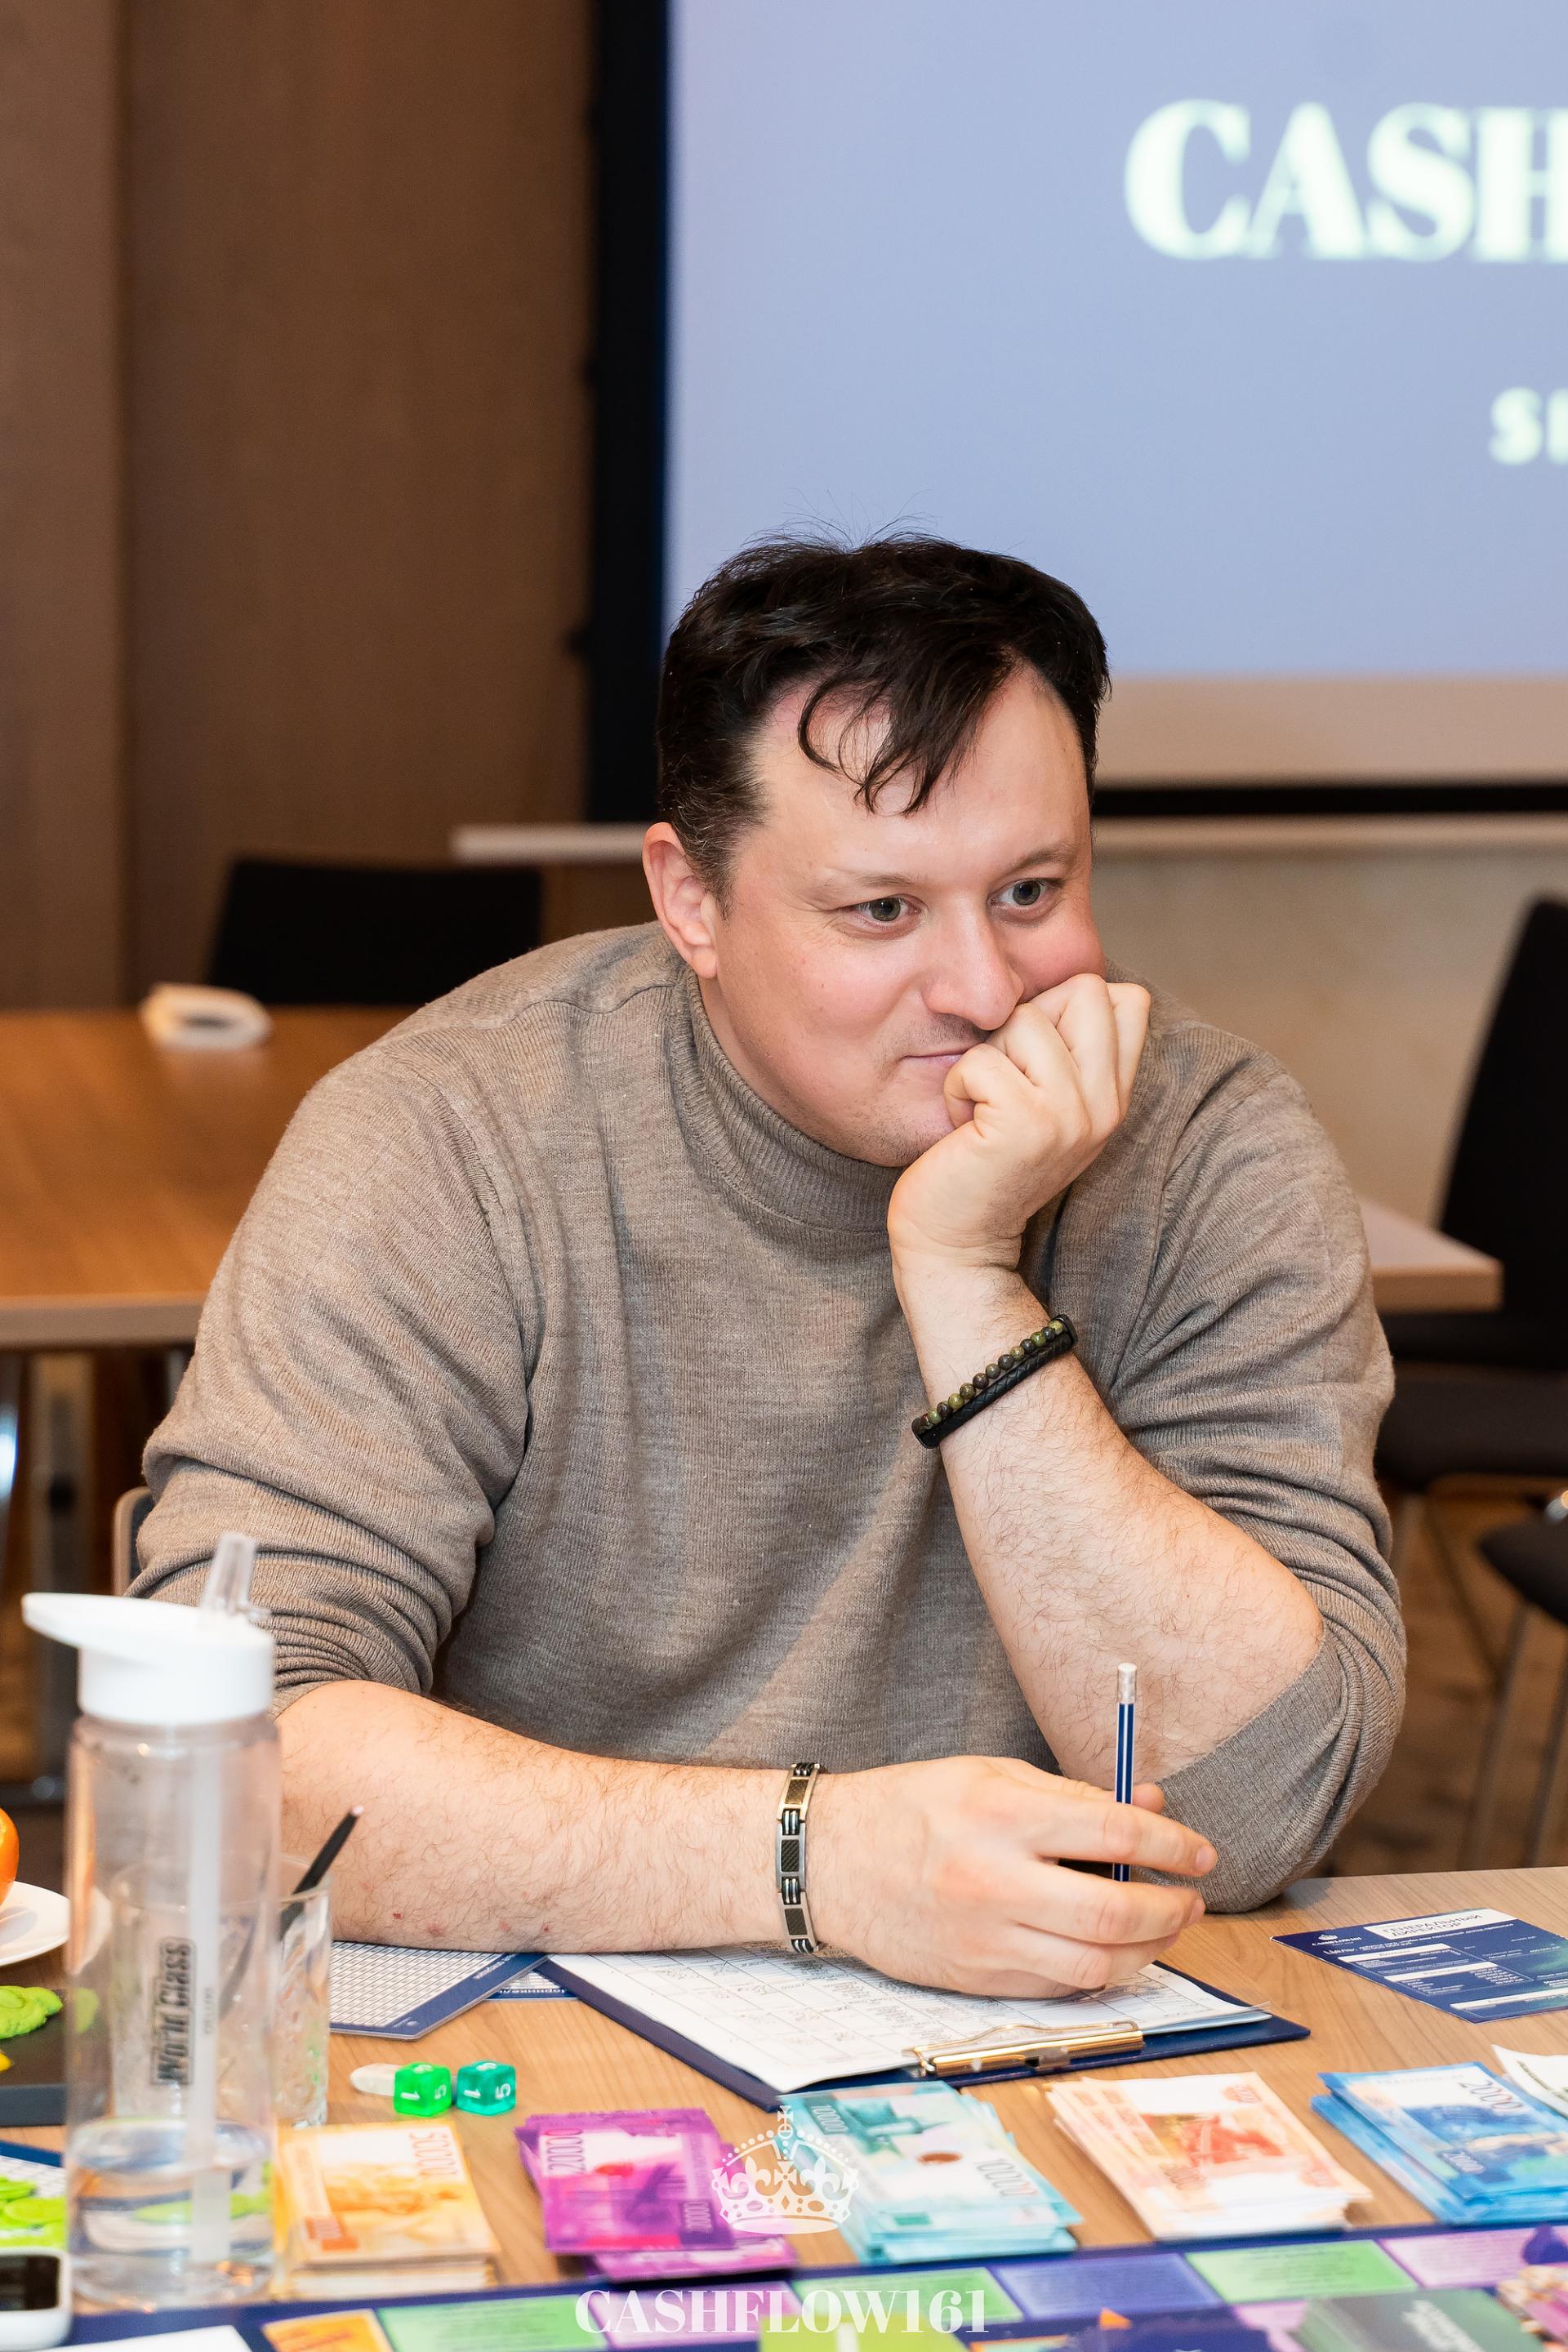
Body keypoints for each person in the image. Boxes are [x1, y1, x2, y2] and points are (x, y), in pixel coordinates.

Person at [135, 533, 1403, 1993]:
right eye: (882, 911)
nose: (984, 990)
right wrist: (818, 1862)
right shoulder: (447, 1136)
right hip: (547, 2012)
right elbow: (220, 1765)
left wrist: (967, 1276)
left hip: (1057, 2030)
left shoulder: (1209, 1148)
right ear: (691, 901)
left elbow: (1263, 1810)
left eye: (1031, 891)